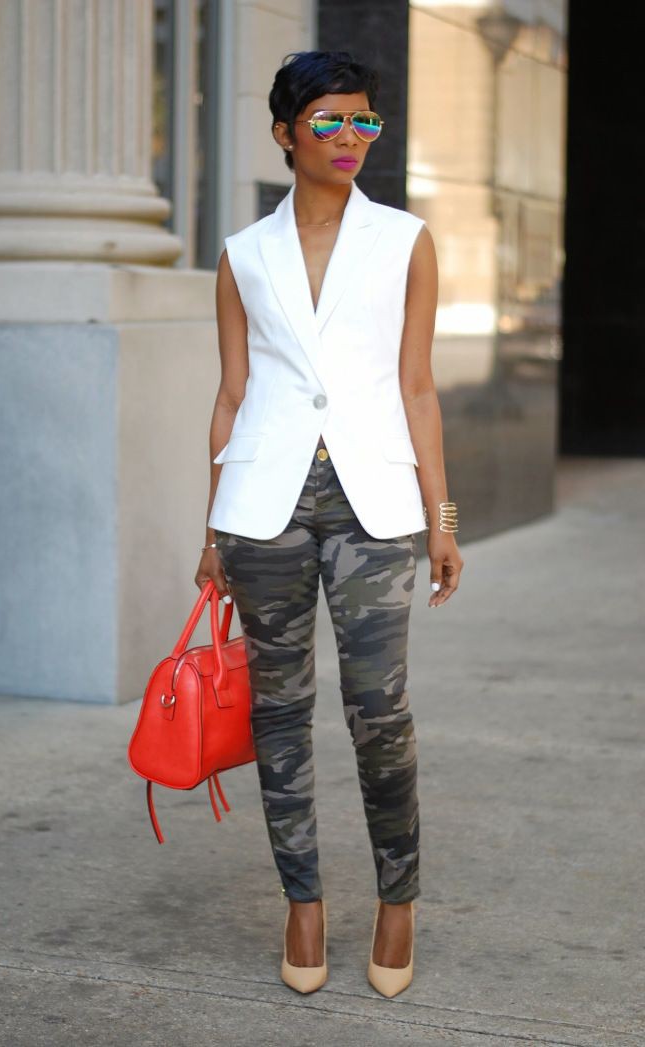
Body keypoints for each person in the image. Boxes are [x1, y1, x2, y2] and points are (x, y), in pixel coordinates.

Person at [195, 50, 463, 997]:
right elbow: (233, 394)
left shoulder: (405, 240)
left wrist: (442, 516)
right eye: (330, 122)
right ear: (284, 134)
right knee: (278, 713)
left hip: (376, 503)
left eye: (364, 123)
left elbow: (419, 387)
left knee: (378, 710)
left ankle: (399, 900)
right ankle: (302, 899)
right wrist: (211, 528)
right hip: (263, 508)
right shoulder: (243, 254)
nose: (350, 138)